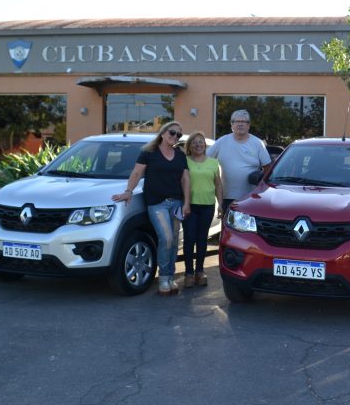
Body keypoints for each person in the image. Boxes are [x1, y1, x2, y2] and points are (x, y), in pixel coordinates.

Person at [112, 122, 190, 296]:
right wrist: (128, 191)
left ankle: (170, 276)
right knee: (166, 238)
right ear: (162, 133)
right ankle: (163, 278)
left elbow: (185, 179)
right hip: (157, 203)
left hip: (177, 203)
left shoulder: (180, 155)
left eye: (178, 135)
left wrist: (186, 203)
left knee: (174, 240)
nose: (175, 136)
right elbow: (136, 173)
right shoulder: (149, 153)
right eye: (172, 132)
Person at [206, 109, 272, 215]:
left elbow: (268, 168)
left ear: (248, 125)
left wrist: (261, 189)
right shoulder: (222, 141)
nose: (240, 124)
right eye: (237, 121)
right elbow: (205, 159)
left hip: (251, 197)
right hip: (227, 196)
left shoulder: (257, 143)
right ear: (232, 125)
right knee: (228, 224)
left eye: (243, 122)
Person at [182, 131, 223, 288]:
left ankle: (200, 271)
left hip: (207, 206)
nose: (198, 145)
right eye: (194, 142)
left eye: (201, 142)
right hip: (189, 205)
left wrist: (220, 204)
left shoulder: (213, 163)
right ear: (189, 146)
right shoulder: (184, 161)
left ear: (205, 145)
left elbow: (218, 184)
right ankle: (188, 273)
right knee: (189, 239)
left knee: (202, 239)